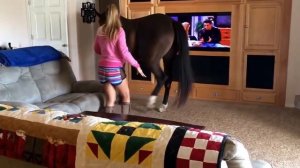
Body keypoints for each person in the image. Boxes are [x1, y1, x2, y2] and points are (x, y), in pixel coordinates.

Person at [94, 4, 146, 114]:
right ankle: (125, 125)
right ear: (117, 16)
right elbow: (124, 52)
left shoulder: (100, 30)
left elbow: (96, 50)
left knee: (110, 99)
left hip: (102, 70)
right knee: (126, 96)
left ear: (106, 16)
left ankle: (107, 125)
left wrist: (107, 52)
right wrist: (137, 65)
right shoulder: (119, 30)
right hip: (114, 70)